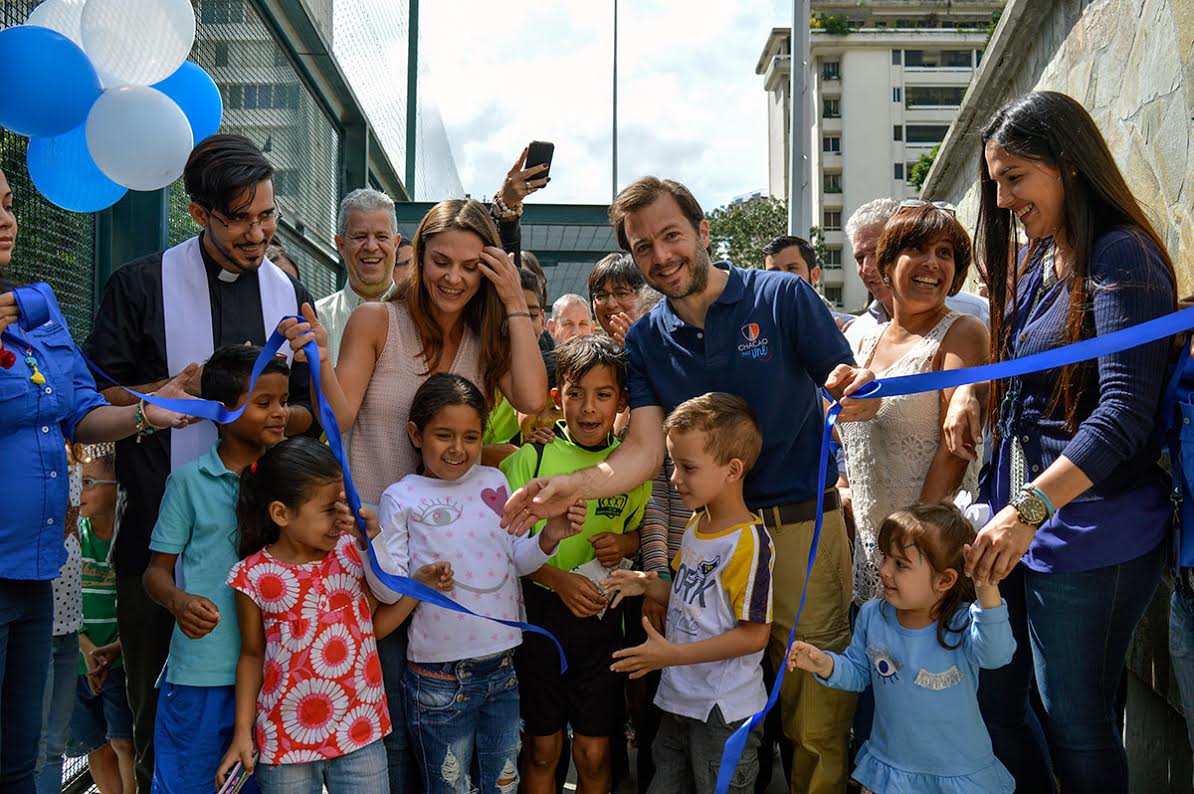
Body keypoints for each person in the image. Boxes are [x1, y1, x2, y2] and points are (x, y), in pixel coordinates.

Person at [503, 176, 879, 794]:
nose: (661, 255)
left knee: (812, 716)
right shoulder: (649, 338)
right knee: (709, 713)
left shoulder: (781, 295)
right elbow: (645, 451)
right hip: (707, 543)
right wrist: (573, 485)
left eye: (671, 235)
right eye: (643, 246)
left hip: (797, 531)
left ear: (703, 233)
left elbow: (843, 383)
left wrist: (856, 392)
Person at [944, 91, 1177, 794]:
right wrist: (968, 393)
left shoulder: (1123, 256)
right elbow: (1022, 370)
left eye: (1015, 177)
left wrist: (1026, 511)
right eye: (997, 182)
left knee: (1075, 720)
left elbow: (1123, 414)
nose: (1004, 197)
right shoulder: (1046, 258)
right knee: (997, 702)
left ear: (1069, 165)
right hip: (1026, 524)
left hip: (1089, 531)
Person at [280, 197, 547, 789]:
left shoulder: (488, 334)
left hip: (457, 576)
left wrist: (511, 304)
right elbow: (340, 413)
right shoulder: (378, 321)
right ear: (417, 256)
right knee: (393, 729)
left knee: (455, 751)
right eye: (440, 260)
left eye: (471, 265)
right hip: (382, 556)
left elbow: (532, 399)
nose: (454, 278)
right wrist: (321, 357)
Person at [83, 134, 317, 792]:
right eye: (239, 217)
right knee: (160, 731)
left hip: (262, 545)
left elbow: (308, 412)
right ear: (197, 213)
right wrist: (163, 395)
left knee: (267, 728)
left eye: (267, 215)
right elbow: (95, 397)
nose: (257, 233)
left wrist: (262, 417)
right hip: (160, 546)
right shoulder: (138, 285)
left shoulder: (287, 289)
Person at [0, 166, 193, 793]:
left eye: (8, 205)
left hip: (39, 567)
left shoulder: (36, 309)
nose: (6, 220)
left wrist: (148, 410)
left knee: (29, 756)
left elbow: (82, 411)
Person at [367, 373, 583, 793]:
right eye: (443, 435)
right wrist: (417, 578)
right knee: (449, 787)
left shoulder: (494, 482)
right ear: (416, 434)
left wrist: (551, 534)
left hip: (502, 667)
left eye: (470, 437)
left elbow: (517, 561)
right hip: (439, 677)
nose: (458, 449)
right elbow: (387, 590)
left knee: (503, 784)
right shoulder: (402, 496)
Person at [215, 437, 446, 793]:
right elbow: (251, 655)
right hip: (284, 741)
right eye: (329, 510)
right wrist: (242, 733)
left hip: (360, 732)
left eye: (343, 505)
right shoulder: (254, 576)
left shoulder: (351, 554)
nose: (341, 518)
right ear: (281, 514)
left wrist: (417, 587)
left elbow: (375, 627)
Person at [500, 336, 651, 794]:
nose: (588, 408)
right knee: (542, 751)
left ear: (622, 401)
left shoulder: (632, 465)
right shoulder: (532, 458)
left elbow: (643, 534)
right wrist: (557, 580)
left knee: (595, 753)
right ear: (555, 399)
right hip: (540, 626)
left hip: (602, 631)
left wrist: (624, 541)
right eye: (575, 394)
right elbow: (503, 549)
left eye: (603, 395)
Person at [604, 392, 774, 793]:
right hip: (680, 699)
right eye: (672, 464)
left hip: (723, 712)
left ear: (733, 470)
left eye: (687, 467)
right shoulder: (696, 525)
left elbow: (755, 635)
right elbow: (691, 598)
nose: (674, 478)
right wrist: (646, 585)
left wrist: (672, 655)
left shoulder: (749, 544)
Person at [141, 345, 292, 793]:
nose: (280, 413)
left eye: (283, 401)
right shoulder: (188, 482)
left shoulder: (292, 480)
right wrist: (178, 600)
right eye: (263, 403)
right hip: (202, 676)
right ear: (221, 411)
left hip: (280, 672)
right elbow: (155, 572)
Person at [788, 502, 1015, 794]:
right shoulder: (873, 615)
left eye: (900, 564)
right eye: (885, 558)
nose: (883, 570)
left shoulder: (962, 623)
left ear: (944, 579)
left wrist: (986, 589)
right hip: (893, 767)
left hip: (955, 771)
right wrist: (826, 664)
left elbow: (997, 655)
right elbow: (859, 672)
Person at [838, 203, 988, 607]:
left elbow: (956, 450)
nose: (932, 263)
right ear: (887, 263)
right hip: (870, 553)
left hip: (927, 558)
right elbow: (841, 435)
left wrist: (908, 547)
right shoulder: (860, 339)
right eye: (917, 249)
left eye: (945, 253)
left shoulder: (962, 332)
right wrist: (842, 397)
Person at [69, 448, 135, 794]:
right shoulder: (73, 536)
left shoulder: (131, 538)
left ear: (117, 487)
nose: (80, 492)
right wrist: (87, 649)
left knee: (124, 743)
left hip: (119, 660)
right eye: (77, 482)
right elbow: (62, 600)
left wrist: (112, 652)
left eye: (90, 483)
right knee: (93, 745)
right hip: (83, 658)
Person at [843, 200, 989, 348]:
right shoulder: (856, 335)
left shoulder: (976, 313)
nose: (868, 268)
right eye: (860, 258)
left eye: (876, 252)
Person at [34, 449, 85, 794]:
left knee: (55, 745)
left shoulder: (73, 459)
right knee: (35, 745)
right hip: (35, 624)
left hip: (69, 623)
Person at [317, 189, 402, 366]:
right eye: (360, 236)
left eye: (381, 236)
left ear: (396, 243)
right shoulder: (318, 320)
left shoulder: (421, 318)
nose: (371, 247)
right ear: (340, 245)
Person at [588, 253, 645, 347]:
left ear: (642, 296)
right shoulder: (589, 356)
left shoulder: (664, 344)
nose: (611, 304)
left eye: (621, 294)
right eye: (602, 296)